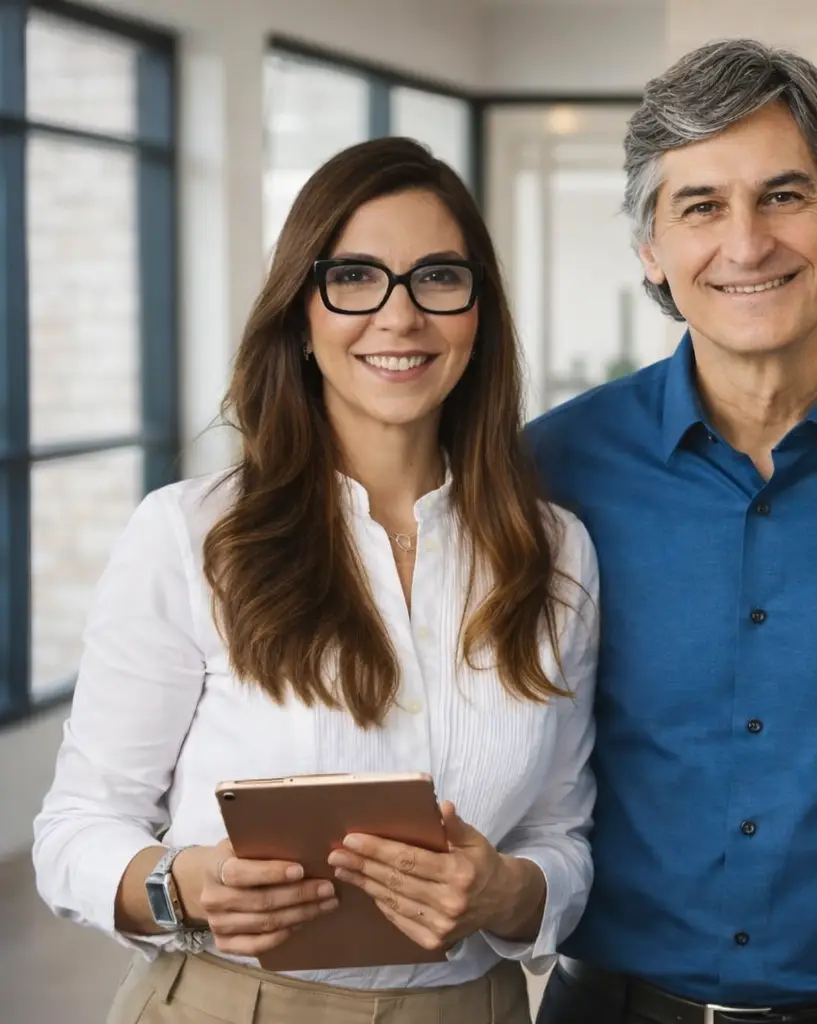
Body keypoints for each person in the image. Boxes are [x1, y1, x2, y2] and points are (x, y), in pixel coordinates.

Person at [33, 137, 599, 1024]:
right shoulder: (191, 536)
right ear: (302, 313)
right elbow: (74, 829)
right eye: (355, 278)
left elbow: (561, 836)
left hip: (473, 1008)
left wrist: (506, 893)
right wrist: (186, 886)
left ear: (478, 313)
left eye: (438, 278)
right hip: (228, 1003)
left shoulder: (555, 551)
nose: (399, 316)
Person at [527, 39, 817, 1024]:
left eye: (784, 195)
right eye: (700, 207)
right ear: (651, 249)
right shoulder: (549, 471)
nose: (746, 243)